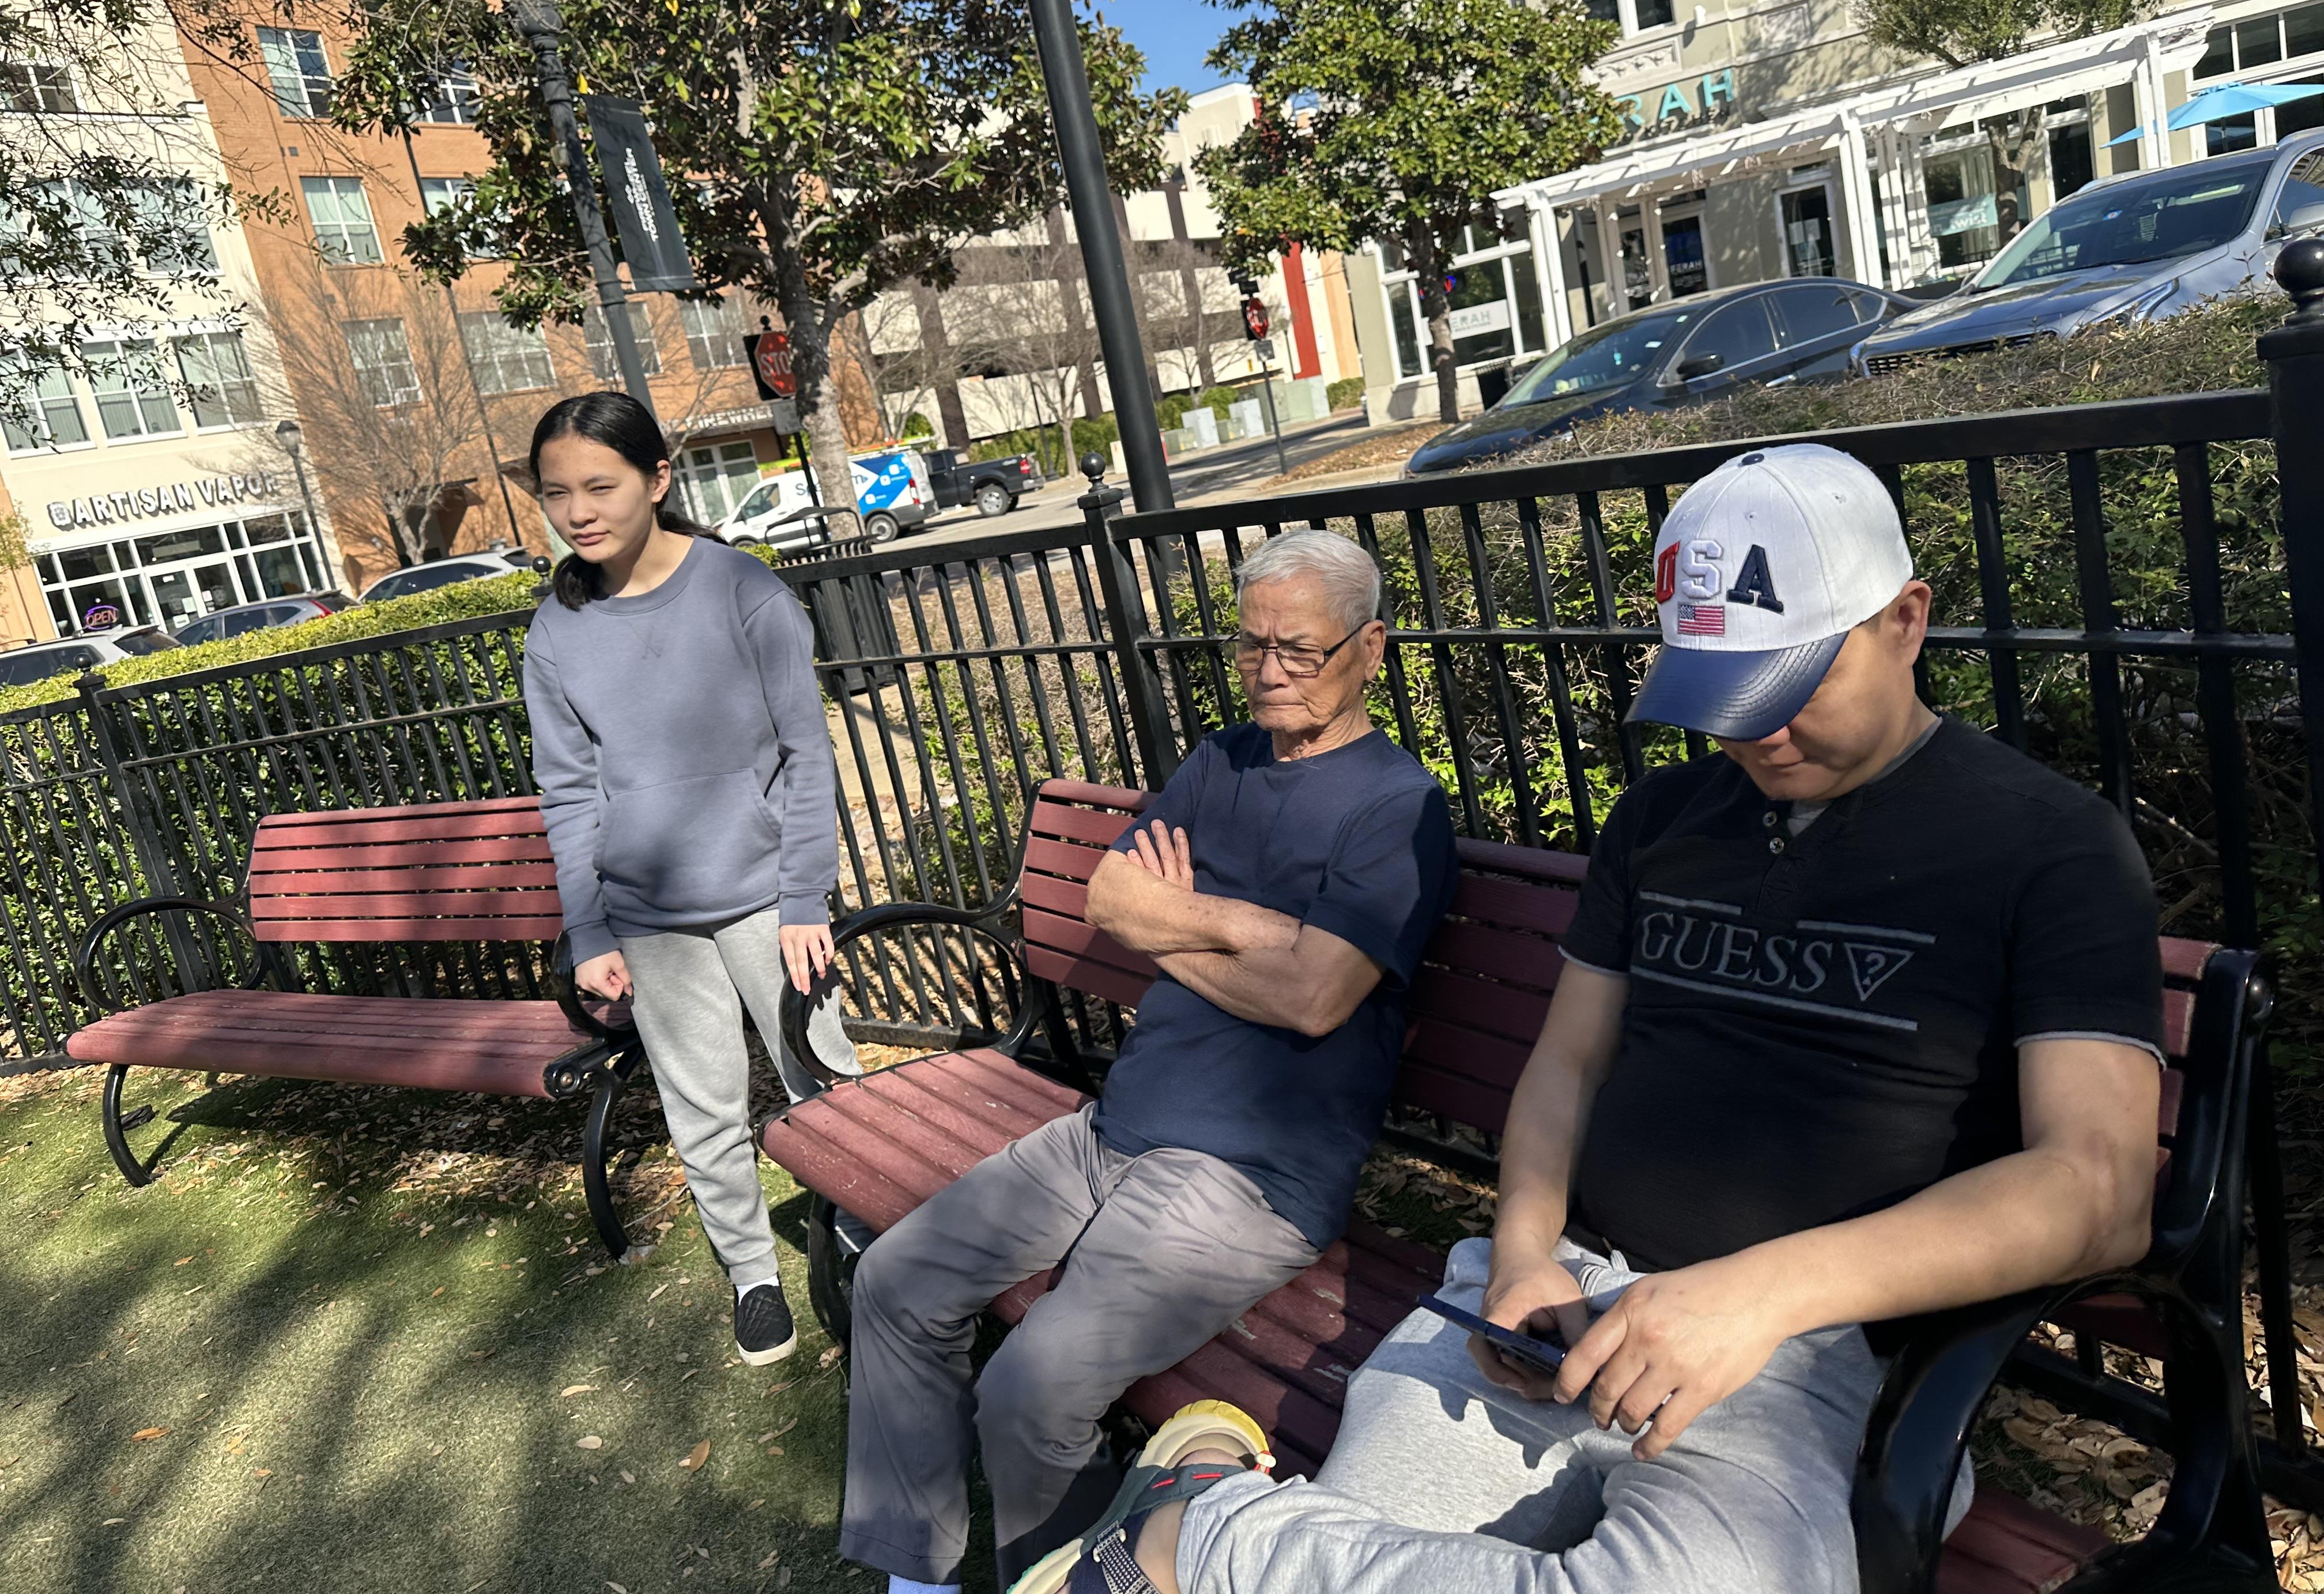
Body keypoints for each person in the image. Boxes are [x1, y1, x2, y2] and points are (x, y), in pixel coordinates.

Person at [1017, 443, 2164, 1594]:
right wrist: (1520, 1258)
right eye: (1724, 695)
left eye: (1789, 683)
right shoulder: (1664, 818)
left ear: (1905, 620)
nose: (1755, 733)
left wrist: (1756, 1295)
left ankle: (1205, 1525)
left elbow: (2098, 1192)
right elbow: (1565, 1065)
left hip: (1800, 1356)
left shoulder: (2047, 844)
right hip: (1553, 1310)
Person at [837, 528, 1459, 1594]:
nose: (1269, 671)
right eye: (1251, 644)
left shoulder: (1396, 808)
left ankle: (1065, 1581)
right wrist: (1254, 928)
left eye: (1299, 651)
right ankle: (918, 1578)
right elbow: (1110, 899)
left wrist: (1177, 917)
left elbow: (1317, 999)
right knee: (893, 1279)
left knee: (1031, 1386)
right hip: (1108, 1129)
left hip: (1247, 1178)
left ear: (1371, 648)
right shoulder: (1219, 760)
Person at [524, 391, 859, 1369]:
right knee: (702, 1103)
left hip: (769, 903)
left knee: (823, 1080)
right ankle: (753, 1274)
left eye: (601, 485)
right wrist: (589, 933)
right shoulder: (557, 631)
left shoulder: (741, 589)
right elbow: (567, 793)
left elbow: (808, 755)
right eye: (557, 494)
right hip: (650, 917)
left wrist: (805, 900)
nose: (579, 511)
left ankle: (860, 1234)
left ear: (658, 479)